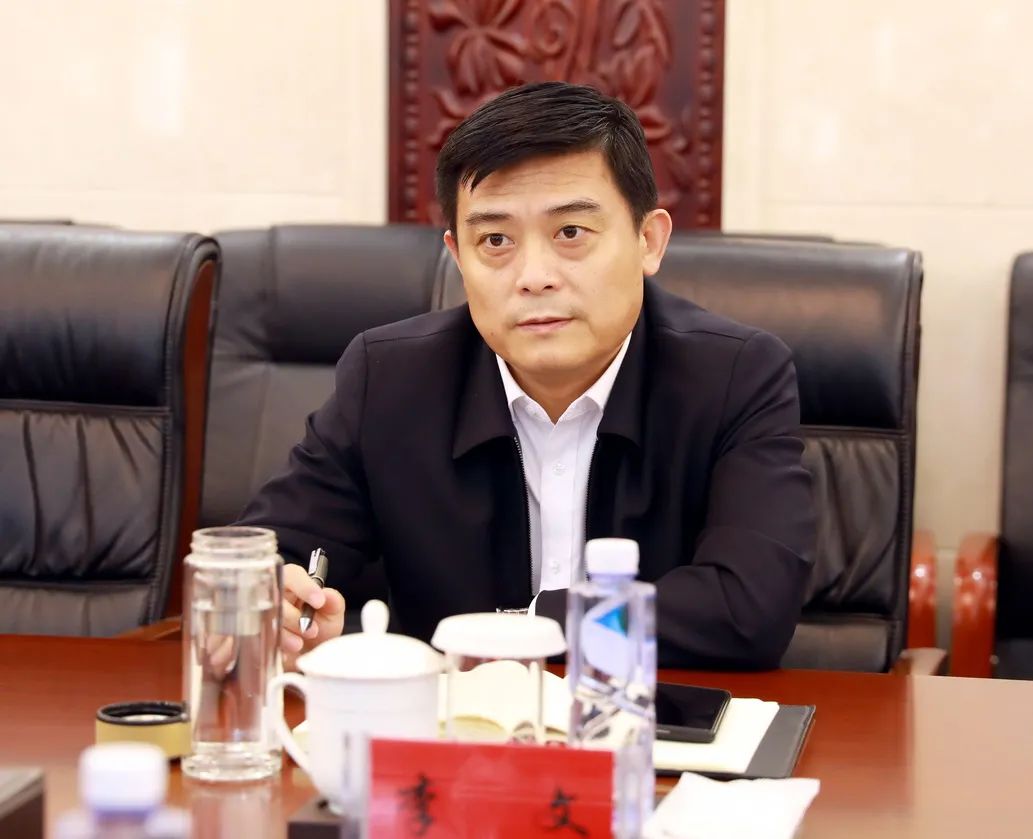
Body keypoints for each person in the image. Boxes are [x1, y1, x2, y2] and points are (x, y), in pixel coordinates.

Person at [237, 81, 815, 671]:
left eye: (571, 233)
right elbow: (271, 553)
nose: (534, 276)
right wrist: (279, 602)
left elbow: (748, 606)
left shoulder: (736, 376)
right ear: (458, 257)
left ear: (648, 241)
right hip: (449, 725)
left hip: (650, 721)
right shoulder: (389, 379)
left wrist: (530, 627)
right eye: (495, 240)